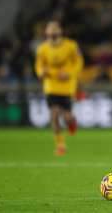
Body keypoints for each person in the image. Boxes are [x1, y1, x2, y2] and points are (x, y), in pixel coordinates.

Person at [35, 20, 84, 156]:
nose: (53, 30)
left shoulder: (71, 46)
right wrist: (41, 73)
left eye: (55, 28)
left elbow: (79, 63)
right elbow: (39, 66)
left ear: (60, 31)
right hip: (51, 87)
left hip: (67, 87)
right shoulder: (42, 49)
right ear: (46, 32)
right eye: (50, 28)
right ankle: (60, 145)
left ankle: (72, 122)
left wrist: (69, 74)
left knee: (67, 117)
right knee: (54, 113)